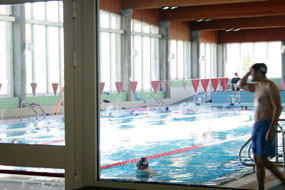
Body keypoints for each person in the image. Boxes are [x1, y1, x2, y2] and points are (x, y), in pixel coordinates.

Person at [238, 63, 285, 190]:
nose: (250, 74)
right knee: (257, 160)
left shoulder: (270, 86)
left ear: (259, 71)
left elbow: (278, 108)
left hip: (266, 125)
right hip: (257, 126)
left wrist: (271, 129)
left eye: (252, 71)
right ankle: (261, 188)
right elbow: (240, 85)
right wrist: (247, 73)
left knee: (262, 160)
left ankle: (283, 181)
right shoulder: (257, 86)